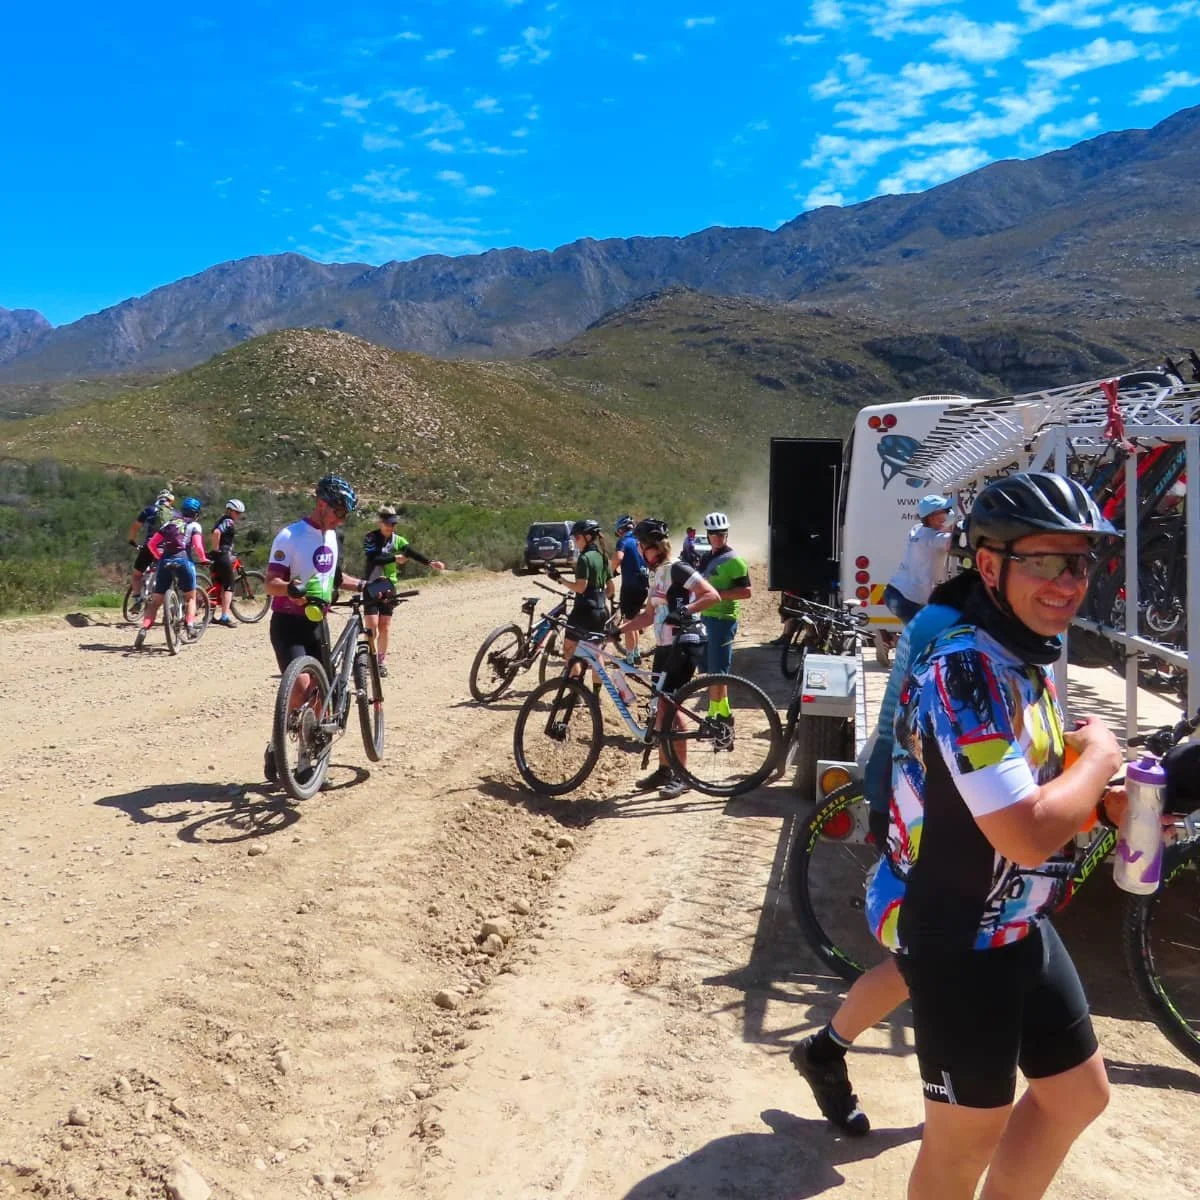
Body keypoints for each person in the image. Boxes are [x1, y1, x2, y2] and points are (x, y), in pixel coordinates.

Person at [864, 472, 1121, 1200]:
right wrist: (1102, 758)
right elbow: (1026, 834)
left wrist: (1102, 804)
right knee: (966, 1137)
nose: (1067, 582)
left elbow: (1024, 799)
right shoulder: (965, 672)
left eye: (1078, 563)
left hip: (1015, 923)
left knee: (1077, 1096)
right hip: (955, 935)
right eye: (1044, 560)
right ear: (988, 565)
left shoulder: (1020, 656)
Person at [790, 567, 978, 1136]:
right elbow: (931, 725)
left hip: (912, 791)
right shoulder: (954, 628)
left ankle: (825, 1051)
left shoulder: (941, 618)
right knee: (937, 960)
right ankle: (960, 1111)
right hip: (923, 799)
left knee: (923, 962)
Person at [262, 475, 365, 783]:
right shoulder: (290, 536)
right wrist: (291, 590)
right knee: (302, 688)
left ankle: (306, 762)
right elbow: (270, 583)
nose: (341, 520)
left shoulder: (332, 537)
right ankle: (276, 747)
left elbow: (334, 578)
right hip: (288, 623)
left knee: (322, 695)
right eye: (339, 512)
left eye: (345, 515)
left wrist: (365, 585)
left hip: (317, 624)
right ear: (322, 505)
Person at [619, 518, 720, 800]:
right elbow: (649, 616)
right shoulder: (656, 573)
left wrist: (685, 611)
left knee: (670, 707)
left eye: (640, 545)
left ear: (651, 546)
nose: (638, 550)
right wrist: (617, 629)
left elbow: (711, 595)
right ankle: (665, 769)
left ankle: (682, 774)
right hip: (665, 646)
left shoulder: (678, 567)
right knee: (660, 709)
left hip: (685, 642)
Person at [362, 504, 445, 676]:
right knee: (372, 626)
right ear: (380, 522)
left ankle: (381, 661)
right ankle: (370, 658)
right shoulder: (370, 537)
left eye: (393, 524)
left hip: (388, 585)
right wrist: (394, 558)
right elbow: (373, 557)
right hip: (371, 584)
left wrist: (430, 562)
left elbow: (411, 552)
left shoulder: (398, 540)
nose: (390, 527)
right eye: (387, 523)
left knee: (384, 626)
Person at [132, 497, 210, 649]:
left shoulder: (169, 523)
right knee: (191, 598)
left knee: (155, 602)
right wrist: (204, 559)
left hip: (165, 561)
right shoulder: (194, 525)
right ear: (196, 514)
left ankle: (144, 628)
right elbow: (198, 547)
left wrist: (159, 556)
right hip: (184, 561)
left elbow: (151, 543)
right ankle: (190, 625)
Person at [696, 511, 751, 724]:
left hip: (724, 620)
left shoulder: (735, 561)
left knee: (719, 672)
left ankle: (721, 714)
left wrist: (719, 595)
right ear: (708, 536)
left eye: (722, 534)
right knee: (710, 671)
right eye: (714, 534)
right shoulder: (705, 558)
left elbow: (747, 592)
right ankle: (717, 712)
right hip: (705, 618)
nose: (719, 538)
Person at [553, 519, 614, 673]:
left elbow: (580, 588)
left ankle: (575, 691)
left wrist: (560, 579)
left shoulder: (584, 559)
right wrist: (598, 598)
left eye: (577, 538)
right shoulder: (603, 557)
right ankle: (594, 694)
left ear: (587, 537)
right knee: (596, 654)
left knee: (569, 649)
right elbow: (611, 589)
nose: (576, 541)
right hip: (601, 611)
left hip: (583, 612)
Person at [883, 494, 954, 625]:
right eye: (945, 511)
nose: (949, 514)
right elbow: (951, 541)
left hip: (894, 592)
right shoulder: (935, 539)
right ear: (933, 518)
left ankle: (896, 642)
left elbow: (938, 533)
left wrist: (947, 527)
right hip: (909, 600)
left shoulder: (916, 530)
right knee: (928, 636)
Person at [126, 489, 176, 613]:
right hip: (167, 548)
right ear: (170, 501)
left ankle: (137, 599)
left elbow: (135, 527)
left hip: (150, 546)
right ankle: (172, 605)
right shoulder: (175, 513)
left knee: (137, 575)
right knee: (168, 576)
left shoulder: (149, 510)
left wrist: (132, 540)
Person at [611, 515, 648, 655]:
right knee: (634, 621)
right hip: (643, 586)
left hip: (630, 586)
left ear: (621, 530)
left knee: (627, 623)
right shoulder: (640, 541)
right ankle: (636, 653)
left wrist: (611, 570)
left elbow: (618, 557)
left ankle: (630, 656)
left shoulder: (624, 541)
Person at [208, 499, 246, 628]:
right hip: (223, 556)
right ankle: (224, 616)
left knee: (218, 586)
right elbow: (216, 533)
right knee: (229, 586)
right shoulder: (228, 521)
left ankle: (210, 615)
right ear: (230, 510)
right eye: (237, 512)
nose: (238, 515)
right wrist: (216, 550)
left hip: (216, 557)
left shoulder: (220, 519)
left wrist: (214, 551)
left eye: (240, 513)